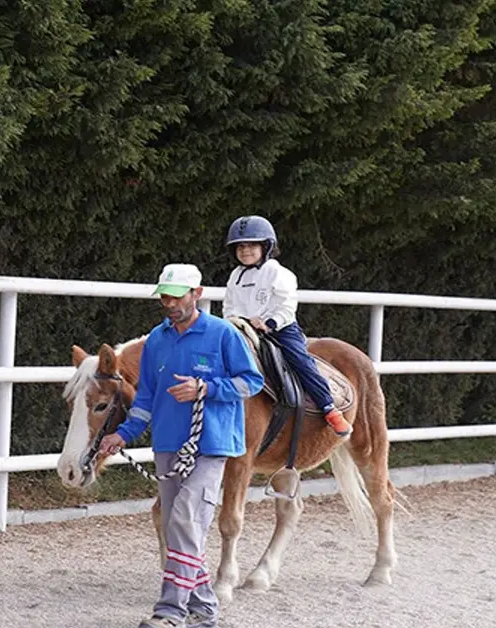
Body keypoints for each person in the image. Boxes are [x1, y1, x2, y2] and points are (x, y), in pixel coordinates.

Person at [98, 262, 264, 628]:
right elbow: (145, 397)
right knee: (179, 527)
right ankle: (203, 609)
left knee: (185, 518)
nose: (170, 304)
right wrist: (123, 434)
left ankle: (170, 611)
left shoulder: (222, 334)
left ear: (197, 294)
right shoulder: (157, 340)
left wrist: (206, 388)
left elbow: (251, 382)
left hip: (211, 443)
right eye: (165, 297)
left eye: (176, 297)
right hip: (168, 442)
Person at [222, 215, 352, 437]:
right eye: (240, 246)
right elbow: (229, 305)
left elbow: (286, 304)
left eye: (251, 245)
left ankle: (328, 407)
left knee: (299, 360)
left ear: (266, 246)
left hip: (278, 329)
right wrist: (234, 321)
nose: (245, 251)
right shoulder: (236, 276)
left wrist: (270, 323)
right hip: (243, 329)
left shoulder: (277, 272)